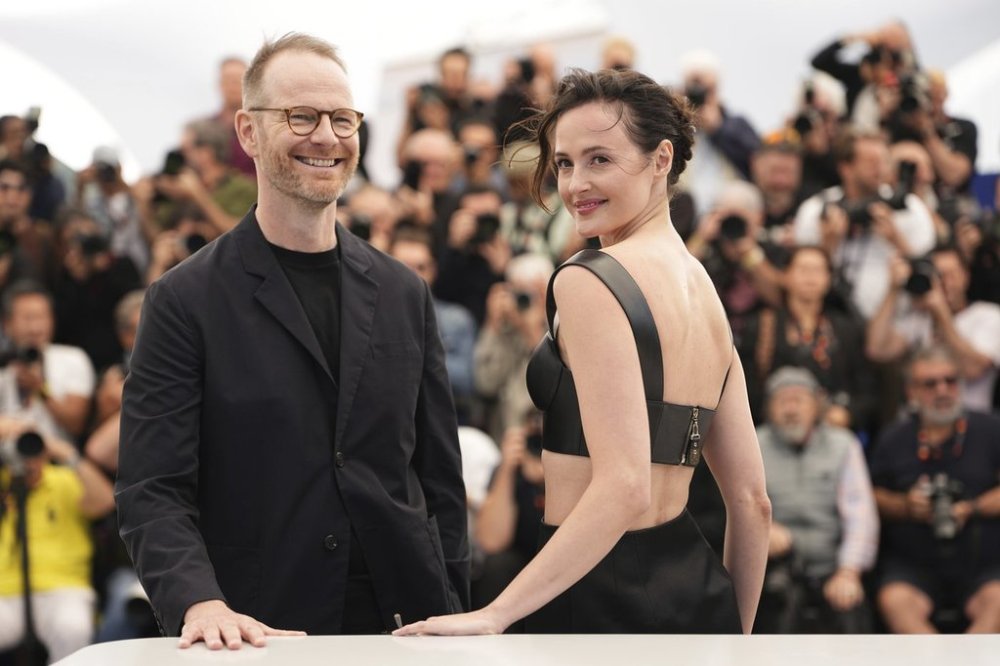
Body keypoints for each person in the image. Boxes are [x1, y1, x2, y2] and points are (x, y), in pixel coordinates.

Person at [116, 33, 469, 650]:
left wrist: (456, 604)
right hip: (258, 627)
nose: (327, 137)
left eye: (342, 118)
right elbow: (152, 487)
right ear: (249, 133)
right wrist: (198, 600)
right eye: (301, 117)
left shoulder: (403, 291)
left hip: (406, 623)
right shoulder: (183, 300)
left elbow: (439, 478)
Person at [396, 68, 771, 636]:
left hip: (598, 599)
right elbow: (752, 501)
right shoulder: (703, 289)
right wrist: (738, 640)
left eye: (599, 159)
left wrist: (496, 613)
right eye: (565, 162)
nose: (574, 185)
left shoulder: (590, 278)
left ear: (661, 159)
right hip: (699, 596)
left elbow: (624, 486)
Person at [869, 346, 1000, 633]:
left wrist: (972, 507)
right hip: (914, 566)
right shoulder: (894, 438)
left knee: (997, 601)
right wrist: (906, 505)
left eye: (950, 381)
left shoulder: (990, 429)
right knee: (895, 601)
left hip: (983, 564)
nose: (942, 390)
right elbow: (872, 496)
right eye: (930, 384)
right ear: (911, 392)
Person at [755, 367, 878, 633]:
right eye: (782, 400)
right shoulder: (752, 444)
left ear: (818, 405)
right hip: (775, 566)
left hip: (833, 567)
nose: (791, 410)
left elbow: (861, 516)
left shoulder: (843, 444)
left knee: (851, 614)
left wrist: (849, 572)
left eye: (799, 399)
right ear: (768, 408)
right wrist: (760, 528)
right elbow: (737, 505)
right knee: (773, 613)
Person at [0, 417, 116, 662]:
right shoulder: (4, 484)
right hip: (5, 590)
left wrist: (60, 449)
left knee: (72, 628)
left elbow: (105, 500)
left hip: (63, 588)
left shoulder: (64, 480)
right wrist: (6, 430)